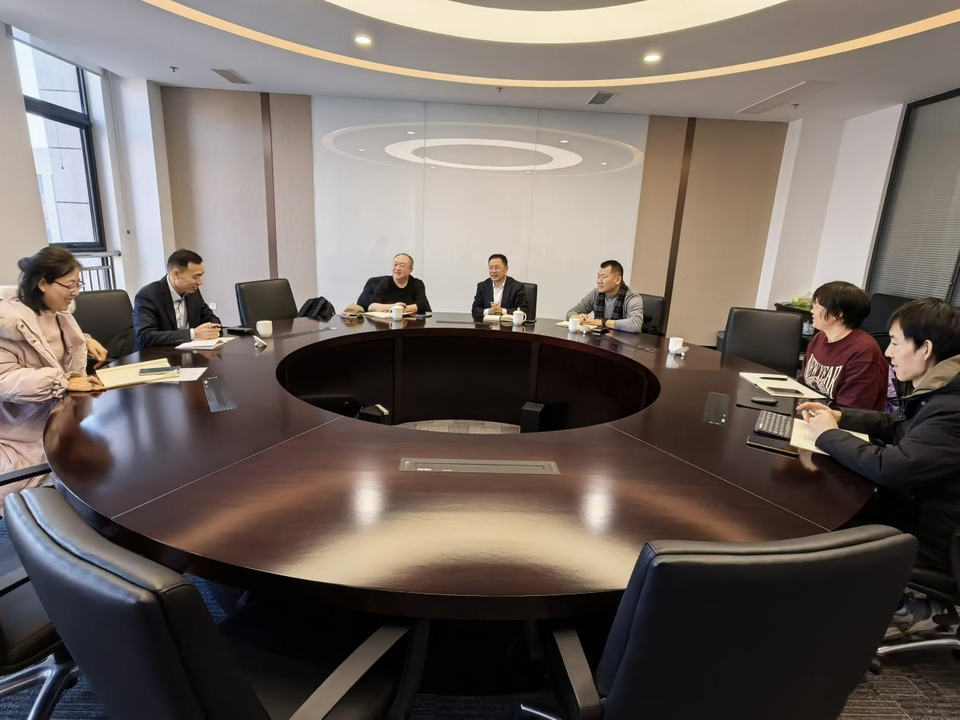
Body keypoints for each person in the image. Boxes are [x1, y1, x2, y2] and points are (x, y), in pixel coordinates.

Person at [800, 298, 960, 577]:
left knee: (809, 533)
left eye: (895, 343)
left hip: (922, 540)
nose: (888, 352)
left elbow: (894, 468)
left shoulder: (951, 407)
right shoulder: (941, 389)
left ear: (925, 349)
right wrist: (840, 416)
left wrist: (829, 435)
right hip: (906, 511)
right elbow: (896, 422)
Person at [1, 247, 105, 501]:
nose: (76, 292)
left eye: (78, 284)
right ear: (43, 283)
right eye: (70, 285)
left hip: (63, 421)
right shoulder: (7, 324)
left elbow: (49, 345)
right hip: (24, 433)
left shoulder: (59, 312)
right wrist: (61, 382)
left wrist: (84, 338)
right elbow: (4, 381)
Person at [801, 281, 889, 410]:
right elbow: (803, 382)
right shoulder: (820, 337)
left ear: (838, 313)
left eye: (817, 306)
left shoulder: (864, 351)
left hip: (839, 420)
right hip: (810, 412)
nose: (812, 311)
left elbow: (852, 410)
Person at [133, 249, 221, 350]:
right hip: (157, 355)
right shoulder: (148, 295)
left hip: (189, 352)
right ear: (176, 274)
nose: (200, 282)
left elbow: (211, 318)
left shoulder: (192, 292)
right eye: (195, 277)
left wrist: (213, 329)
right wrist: (192, 334)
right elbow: (145, 336)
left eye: (200, 276)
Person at [566, 260, 644, 333]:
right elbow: (571, 313)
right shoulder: (596, 293)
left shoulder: (632, 297)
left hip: (624, 341)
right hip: (598, 339)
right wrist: (577, 317)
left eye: (603, 277)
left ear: (617, 280)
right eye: (598, 276)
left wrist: (603, 322)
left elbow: (635, 325)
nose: (599, 281)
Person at [366, 253, 431, 314]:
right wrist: (394, 306)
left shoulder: (417, 284)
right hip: (388, 321)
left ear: (411, 270)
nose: (397, 268)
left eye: (402, 265)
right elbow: (371, 306)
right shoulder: (385, 283)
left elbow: (422, 304)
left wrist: (403, 309)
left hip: (412, 321)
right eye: (395, 264)